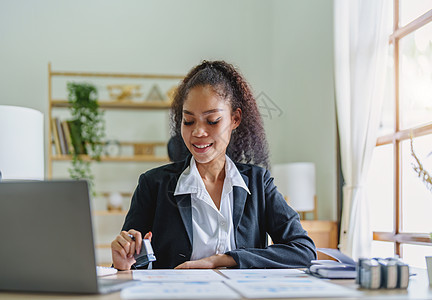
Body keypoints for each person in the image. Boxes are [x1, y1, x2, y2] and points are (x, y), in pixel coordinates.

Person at [111, 60, 316, 270]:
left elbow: (304, 250)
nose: (198, 132)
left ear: (235, 119)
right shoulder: (153, 184)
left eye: (212, 120)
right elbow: (132, 261)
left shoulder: (258, 183)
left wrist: (222, 260)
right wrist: (123, 263)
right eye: (188, 121)